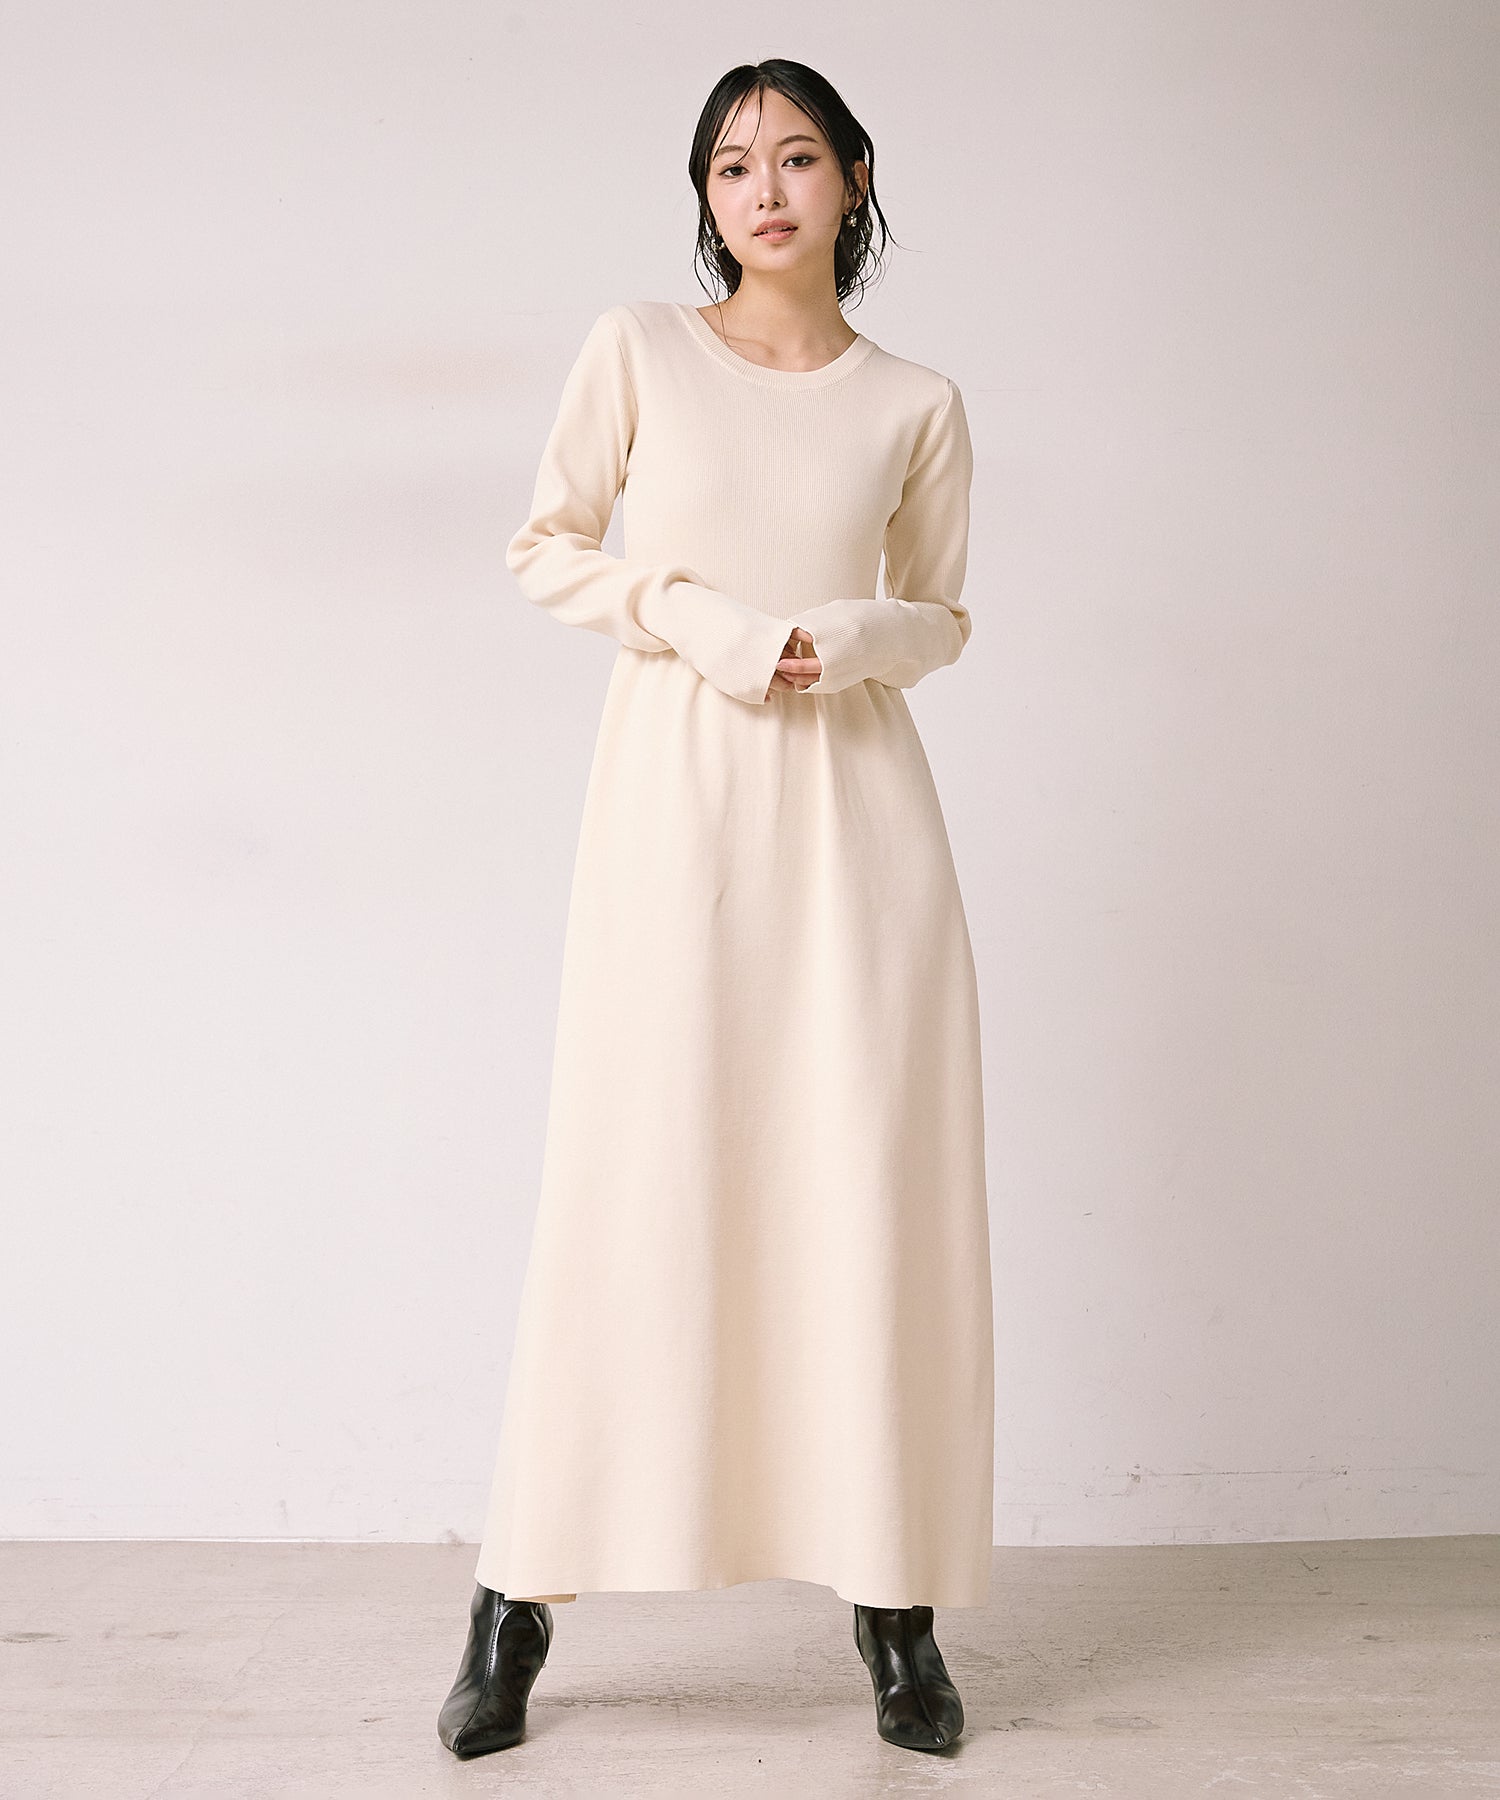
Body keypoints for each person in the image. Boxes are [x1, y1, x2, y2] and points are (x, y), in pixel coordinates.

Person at [439, 57, 993, 1759]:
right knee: (634, 1181)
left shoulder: (916, 400)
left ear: (854, 179)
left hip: (857, 820)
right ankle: (515, 1603)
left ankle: (896, 1614)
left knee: (864, 1186)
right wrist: (701, 618)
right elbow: (547, 544)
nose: (765, 191)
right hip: (675, 800)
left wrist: (846, 635)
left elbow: (942, 614)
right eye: (734, 165)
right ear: (705, 194)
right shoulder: (638, 350)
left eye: (798, 159)